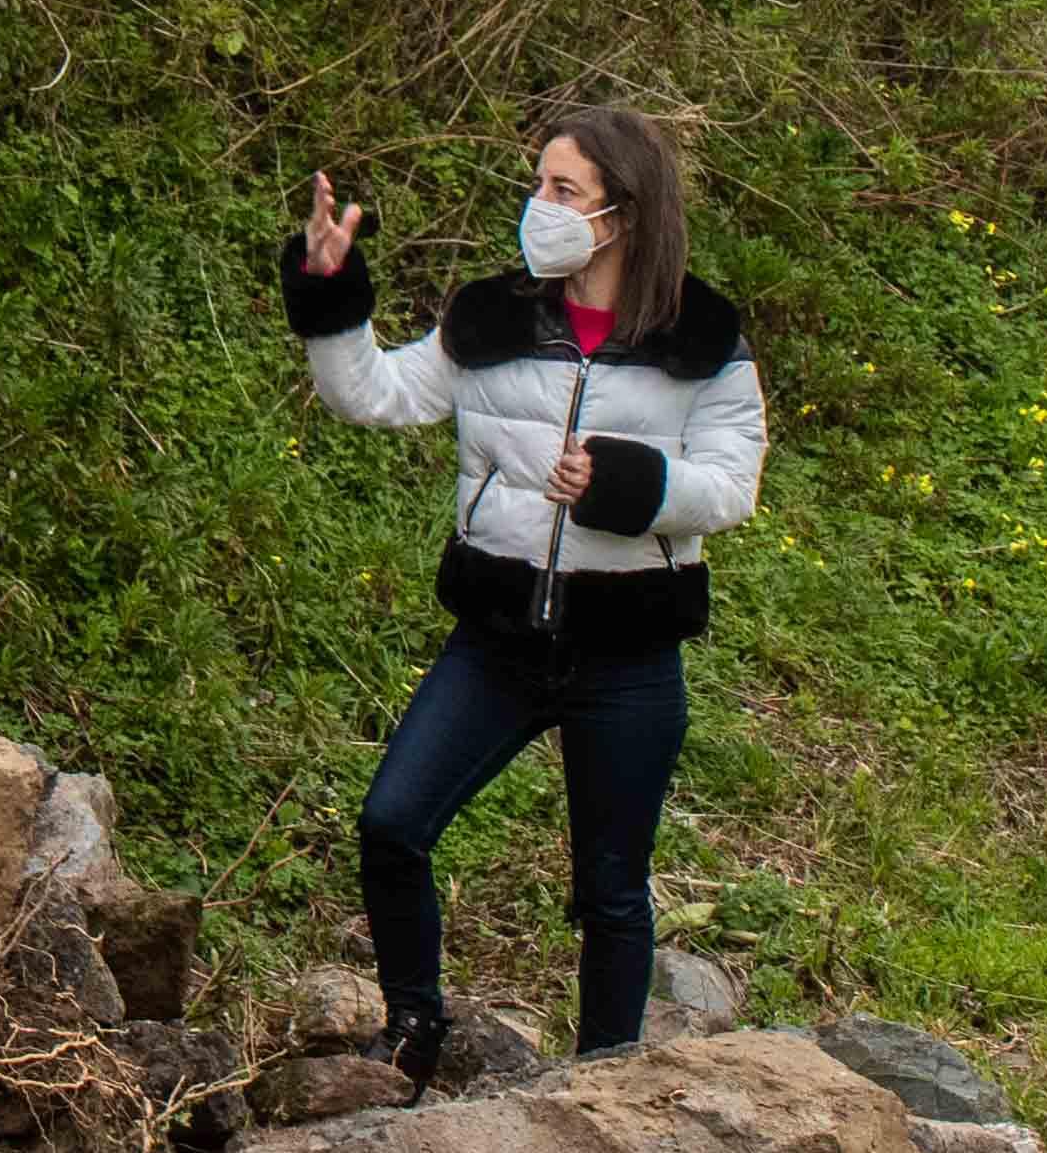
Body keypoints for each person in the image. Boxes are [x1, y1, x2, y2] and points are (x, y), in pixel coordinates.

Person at [284, 105, 766, 1085]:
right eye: (535, 182)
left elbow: (732, 484)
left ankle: (601, 1084)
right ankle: (414, 1028)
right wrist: (330, 291)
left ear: (621, 213)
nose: (536, 205)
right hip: (497, 638)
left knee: (612, 892)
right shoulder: (492, 317)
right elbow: (373, 393)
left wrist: (629, 484)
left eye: (562, 189)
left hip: (628, 656)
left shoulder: (703, 336)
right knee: (390, 823)